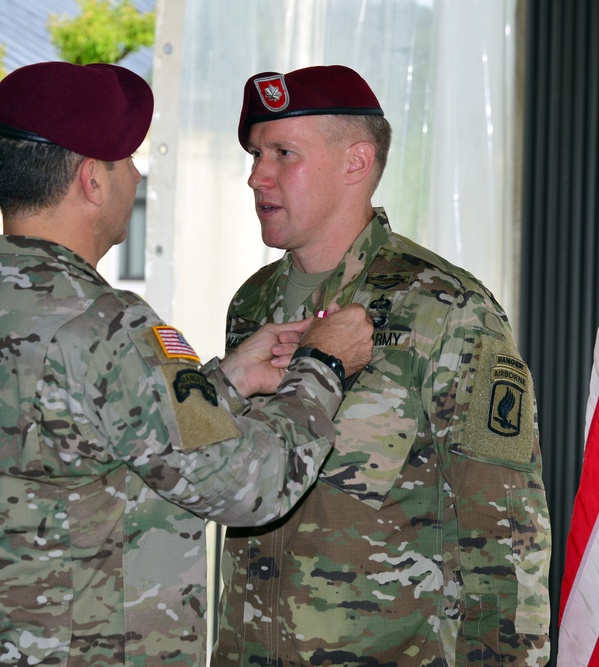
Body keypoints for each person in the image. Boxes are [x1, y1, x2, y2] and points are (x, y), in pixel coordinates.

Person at [0, 61, 374, 667]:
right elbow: (251, 486)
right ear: (93, 180)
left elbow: (86, 445)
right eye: (126, 163)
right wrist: (323, 366)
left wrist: (222, 383)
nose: (135, 177)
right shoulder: (109, 326)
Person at [213, 65, 551, 666]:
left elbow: (503, 534)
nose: (256, 175)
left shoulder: (443, 307)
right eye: (255, 153)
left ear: (356, 162)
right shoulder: (252, 303)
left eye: (282, 153)